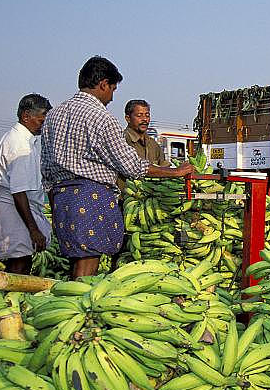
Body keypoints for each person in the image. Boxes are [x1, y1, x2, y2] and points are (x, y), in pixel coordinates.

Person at [41, 56, 195, 278]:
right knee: (88, 261)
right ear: (103, 84)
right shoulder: (100, 117)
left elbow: (45, 165)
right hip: (89, 195)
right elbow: (131, 166)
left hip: (61, 196)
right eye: (112, 89)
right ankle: (86, 306)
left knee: (76, 257)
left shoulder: (54, 115)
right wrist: (175, 172)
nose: (112, 97)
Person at [0, 94, 53, 274]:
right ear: (26, 116)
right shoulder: (19, 144)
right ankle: (10, 300)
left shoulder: (27, 140)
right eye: (42, 116)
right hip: (14, 208)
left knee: (22, 258)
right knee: (19, 260)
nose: (44, 121)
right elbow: (18, 191)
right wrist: (33, 229)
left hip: (17, 206)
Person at [124, 100, 170, 167]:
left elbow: (164, 166)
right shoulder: (122, 140)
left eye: (147, 115)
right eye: (139, 116)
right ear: (128, 118)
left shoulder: (153, 144)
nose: (145, 119)